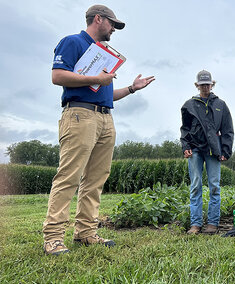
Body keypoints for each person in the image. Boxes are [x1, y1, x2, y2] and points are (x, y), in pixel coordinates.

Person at [42, 4, 155, 255]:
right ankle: (53, 237)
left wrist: (133, 88)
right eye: (112, 24)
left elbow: (107, 94)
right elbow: (58, 76)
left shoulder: (103, 54)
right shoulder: (72, 42)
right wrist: (96, 78)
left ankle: (85, 232)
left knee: (96, 179)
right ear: (98, 19)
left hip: (105, 118)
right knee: (69, 176)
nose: (114, 29)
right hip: (80, 115)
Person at [180, 70, 234, 235]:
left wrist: (225, 150)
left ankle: (212, 224)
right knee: (195, 186)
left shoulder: (221, 105)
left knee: (215, 187)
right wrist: (185, 146)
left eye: (207, 84)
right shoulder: (189, 105)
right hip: (195, 149)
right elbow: (185, 129)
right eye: (202, 84)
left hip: (214, 150)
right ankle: (195, 224)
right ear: (197, 85)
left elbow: (227, 130)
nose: (205, 87)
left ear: (212, 84)